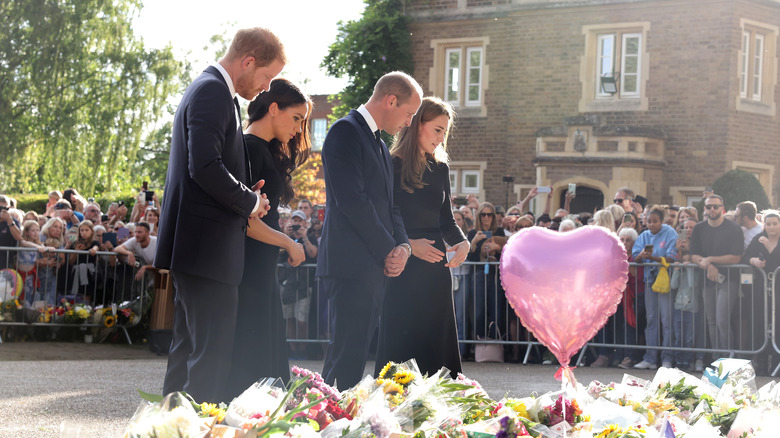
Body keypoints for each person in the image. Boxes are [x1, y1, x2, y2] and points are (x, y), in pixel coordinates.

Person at [155, 27, 283, 403]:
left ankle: (170, 424)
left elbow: (209, 167)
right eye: (267, 76)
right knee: (210, 357)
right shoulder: (213, 90)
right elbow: (205, 166)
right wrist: (250, 202)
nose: (266, 87)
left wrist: (247, 191)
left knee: (188, 352)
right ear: (248, 62)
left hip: (199, 247)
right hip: (206, 249)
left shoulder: (213, 89)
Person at [316, 71, 421, 388]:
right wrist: (388, 248)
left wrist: (403, 246)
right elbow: (353, 202)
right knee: (345, 355)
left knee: (357, 353)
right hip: (350, 265)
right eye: (408, 113)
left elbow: (392, 206)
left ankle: (338, 418)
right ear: (391, 100)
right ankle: (328, 422)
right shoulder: (344, 132)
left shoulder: (379, 144)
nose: (407, 122)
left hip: (372, 265)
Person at [224, 78, 309, 398]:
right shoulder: (247, 147)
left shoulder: (262, 149)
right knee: (253, 344)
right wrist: (289, 243)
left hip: (262, 263)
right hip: (249, 262)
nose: (299, 128)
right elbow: (247, 222)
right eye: (296, 118)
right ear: (274, 109)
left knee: (266, 343)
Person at [374, 97, 469, 377]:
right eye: (437, 129)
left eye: (445, 132)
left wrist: (462, 241)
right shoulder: (391, 164)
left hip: (436, 270)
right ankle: (394, 401)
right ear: (417, 125)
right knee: (401, 338)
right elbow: (386, 215)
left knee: (437, 339)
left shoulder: (441, 169)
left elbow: (446, 219)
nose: (441, 138)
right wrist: (409, 245)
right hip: (403, 265)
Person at [690, 194, 744, 352]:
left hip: (729, 280)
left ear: (722, 208)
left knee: (722, 320)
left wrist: (710, 260)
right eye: (708, 207)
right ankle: (716, 357)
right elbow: (694, 255)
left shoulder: (734, 228)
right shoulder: (699, 228)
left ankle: (727, 358)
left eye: (715, 206)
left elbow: (736, 257)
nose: (712, 209)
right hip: (707, 280)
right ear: (704, 209)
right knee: (712, 320)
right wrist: (709, 266)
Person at [632, 206, 678, 370]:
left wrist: (652, 257)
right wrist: (641, 256)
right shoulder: (644, 235)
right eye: (648, 222)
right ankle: (650, 358)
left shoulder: (670, 233)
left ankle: (667, 358)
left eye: (655, 221)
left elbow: (672, 257)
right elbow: (635, 258)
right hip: (649, 281)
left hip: (665, 281)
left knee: (666, 321)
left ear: (662, 221)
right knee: (651, 320)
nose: (651, 225)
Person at [743, 210, 780, 374]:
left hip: (778, 288)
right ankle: (762, 365)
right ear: (764, 225)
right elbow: (746, 257)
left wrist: (770, 246)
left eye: (775, 223)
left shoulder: (769, 241)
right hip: (762, 288)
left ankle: (776, 365)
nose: (771, 227)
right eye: (768, 224)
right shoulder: (758, 239)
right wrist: (754, 261)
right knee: (761, 324)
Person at [0, 195, 22, 269]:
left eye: (5, 208)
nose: (2, 211)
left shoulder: (13, 221)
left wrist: (9, 221)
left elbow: (18, 237)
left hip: (6, 263)